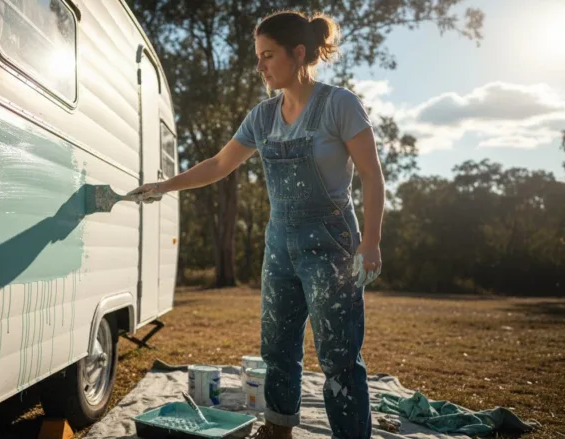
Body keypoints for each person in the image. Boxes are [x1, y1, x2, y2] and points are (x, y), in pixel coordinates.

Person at [129, 10, 384, 439]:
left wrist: (371, 243)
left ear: (298, 53)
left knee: (338, 355)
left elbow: (373, 177)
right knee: (278, 347)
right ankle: (278, 429)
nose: (260, 65)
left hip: (332, 243)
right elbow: (219, 164)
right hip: (280, 245)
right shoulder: (262, 117)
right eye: (258, 56)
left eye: (268, 56)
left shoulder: (338, 104)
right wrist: (165, 184)